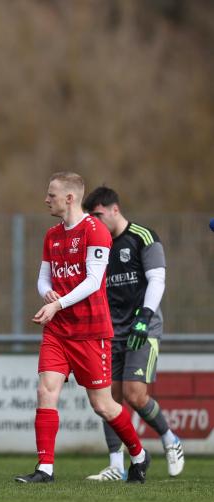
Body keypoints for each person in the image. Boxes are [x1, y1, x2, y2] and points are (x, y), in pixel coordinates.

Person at [16, 172, 151, 484]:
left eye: (51, 195)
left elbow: (93, 281)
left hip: (91, 331)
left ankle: (139, 455)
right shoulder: (52, 235)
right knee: (45, 390)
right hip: (58, 330)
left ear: (69, 198)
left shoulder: (96, 230)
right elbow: (43, 277)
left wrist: (58, 303)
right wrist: (46, 293)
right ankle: (45, 469)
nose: (46, 199)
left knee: (102, 405)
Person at [82, 186, 183, 480]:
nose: (96, 222)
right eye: (93, 217)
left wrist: (145, 315)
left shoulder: (143, 237)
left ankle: (169, 439)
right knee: (107, 399)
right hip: (110, 330)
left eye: (99, 215)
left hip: (143, 327)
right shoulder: (97, 244)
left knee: (135, 395)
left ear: (115, 209)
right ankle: (116, 465)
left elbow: (158, 279)